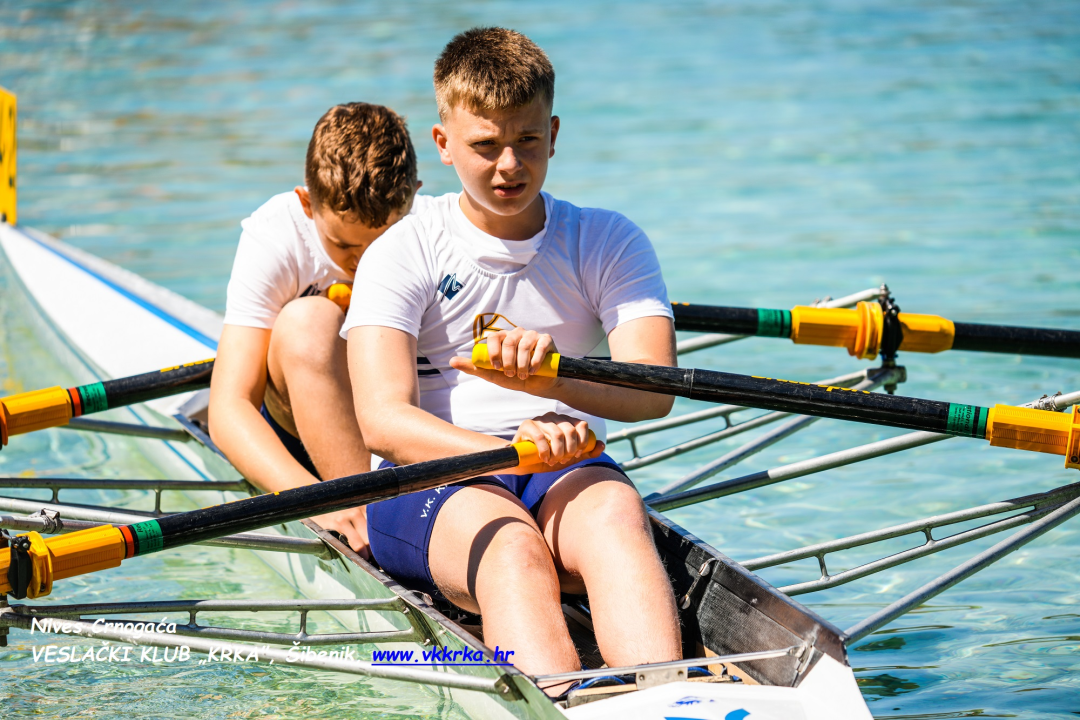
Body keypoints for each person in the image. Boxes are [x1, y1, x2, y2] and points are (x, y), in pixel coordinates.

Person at [344, 28, 681, 688]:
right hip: (427, 476)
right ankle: (558, 698)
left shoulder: (607, 240)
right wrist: (509, 452)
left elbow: (654, 391)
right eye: (485, 145)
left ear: (553, 135)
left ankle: (668, 694)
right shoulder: (403, 250)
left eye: (527, 140)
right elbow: (381, 422)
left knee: (617, 519)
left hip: (561, 464)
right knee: (512, 549)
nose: (509, 165)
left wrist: (553, 379)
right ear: (443, 144)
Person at [209, 102, 423, 556]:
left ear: (413, 199)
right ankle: (363, 513)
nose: (365, 261)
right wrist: (313, 502)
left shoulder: (429, 227)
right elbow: (228, 408)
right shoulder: (277, 236)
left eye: (381, 242)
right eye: (344, 246)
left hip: (393, 414)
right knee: (308, 321)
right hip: (297, 418)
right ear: (307, 203)